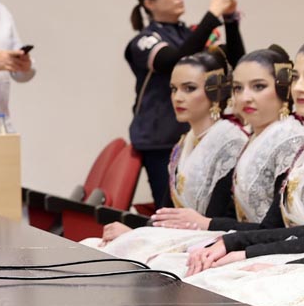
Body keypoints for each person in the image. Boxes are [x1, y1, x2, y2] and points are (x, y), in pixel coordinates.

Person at [97, 48, 304, 271]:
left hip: (267, 243)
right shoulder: (191, 141)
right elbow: (176, 215)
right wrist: (145, 229)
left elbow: (223, 219)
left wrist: (235, 245)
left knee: (174, 265)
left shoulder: (277, 139)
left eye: (189, 88)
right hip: (258, 241)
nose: (178, 97)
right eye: (238, 88)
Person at [99, 49, 247, 244]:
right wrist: (137, 233)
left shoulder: (230, 142)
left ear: (216, 91)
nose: (177, 97)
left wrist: (137, 236)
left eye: (189, 88)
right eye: (174, 89)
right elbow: (166, 215)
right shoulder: (185, 141)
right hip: (180, 238)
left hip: (209, 242)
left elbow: (217, 221)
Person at [126, 0, 244, 205]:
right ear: (149, 3)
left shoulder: (191, 34)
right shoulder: (144, 40)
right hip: (162, 140)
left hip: (203, 133)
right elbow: (174, 61)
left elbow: (238, 62)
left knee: (208, 207)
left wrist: (229, 18)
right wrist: (212, 14)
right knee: (175, 207)